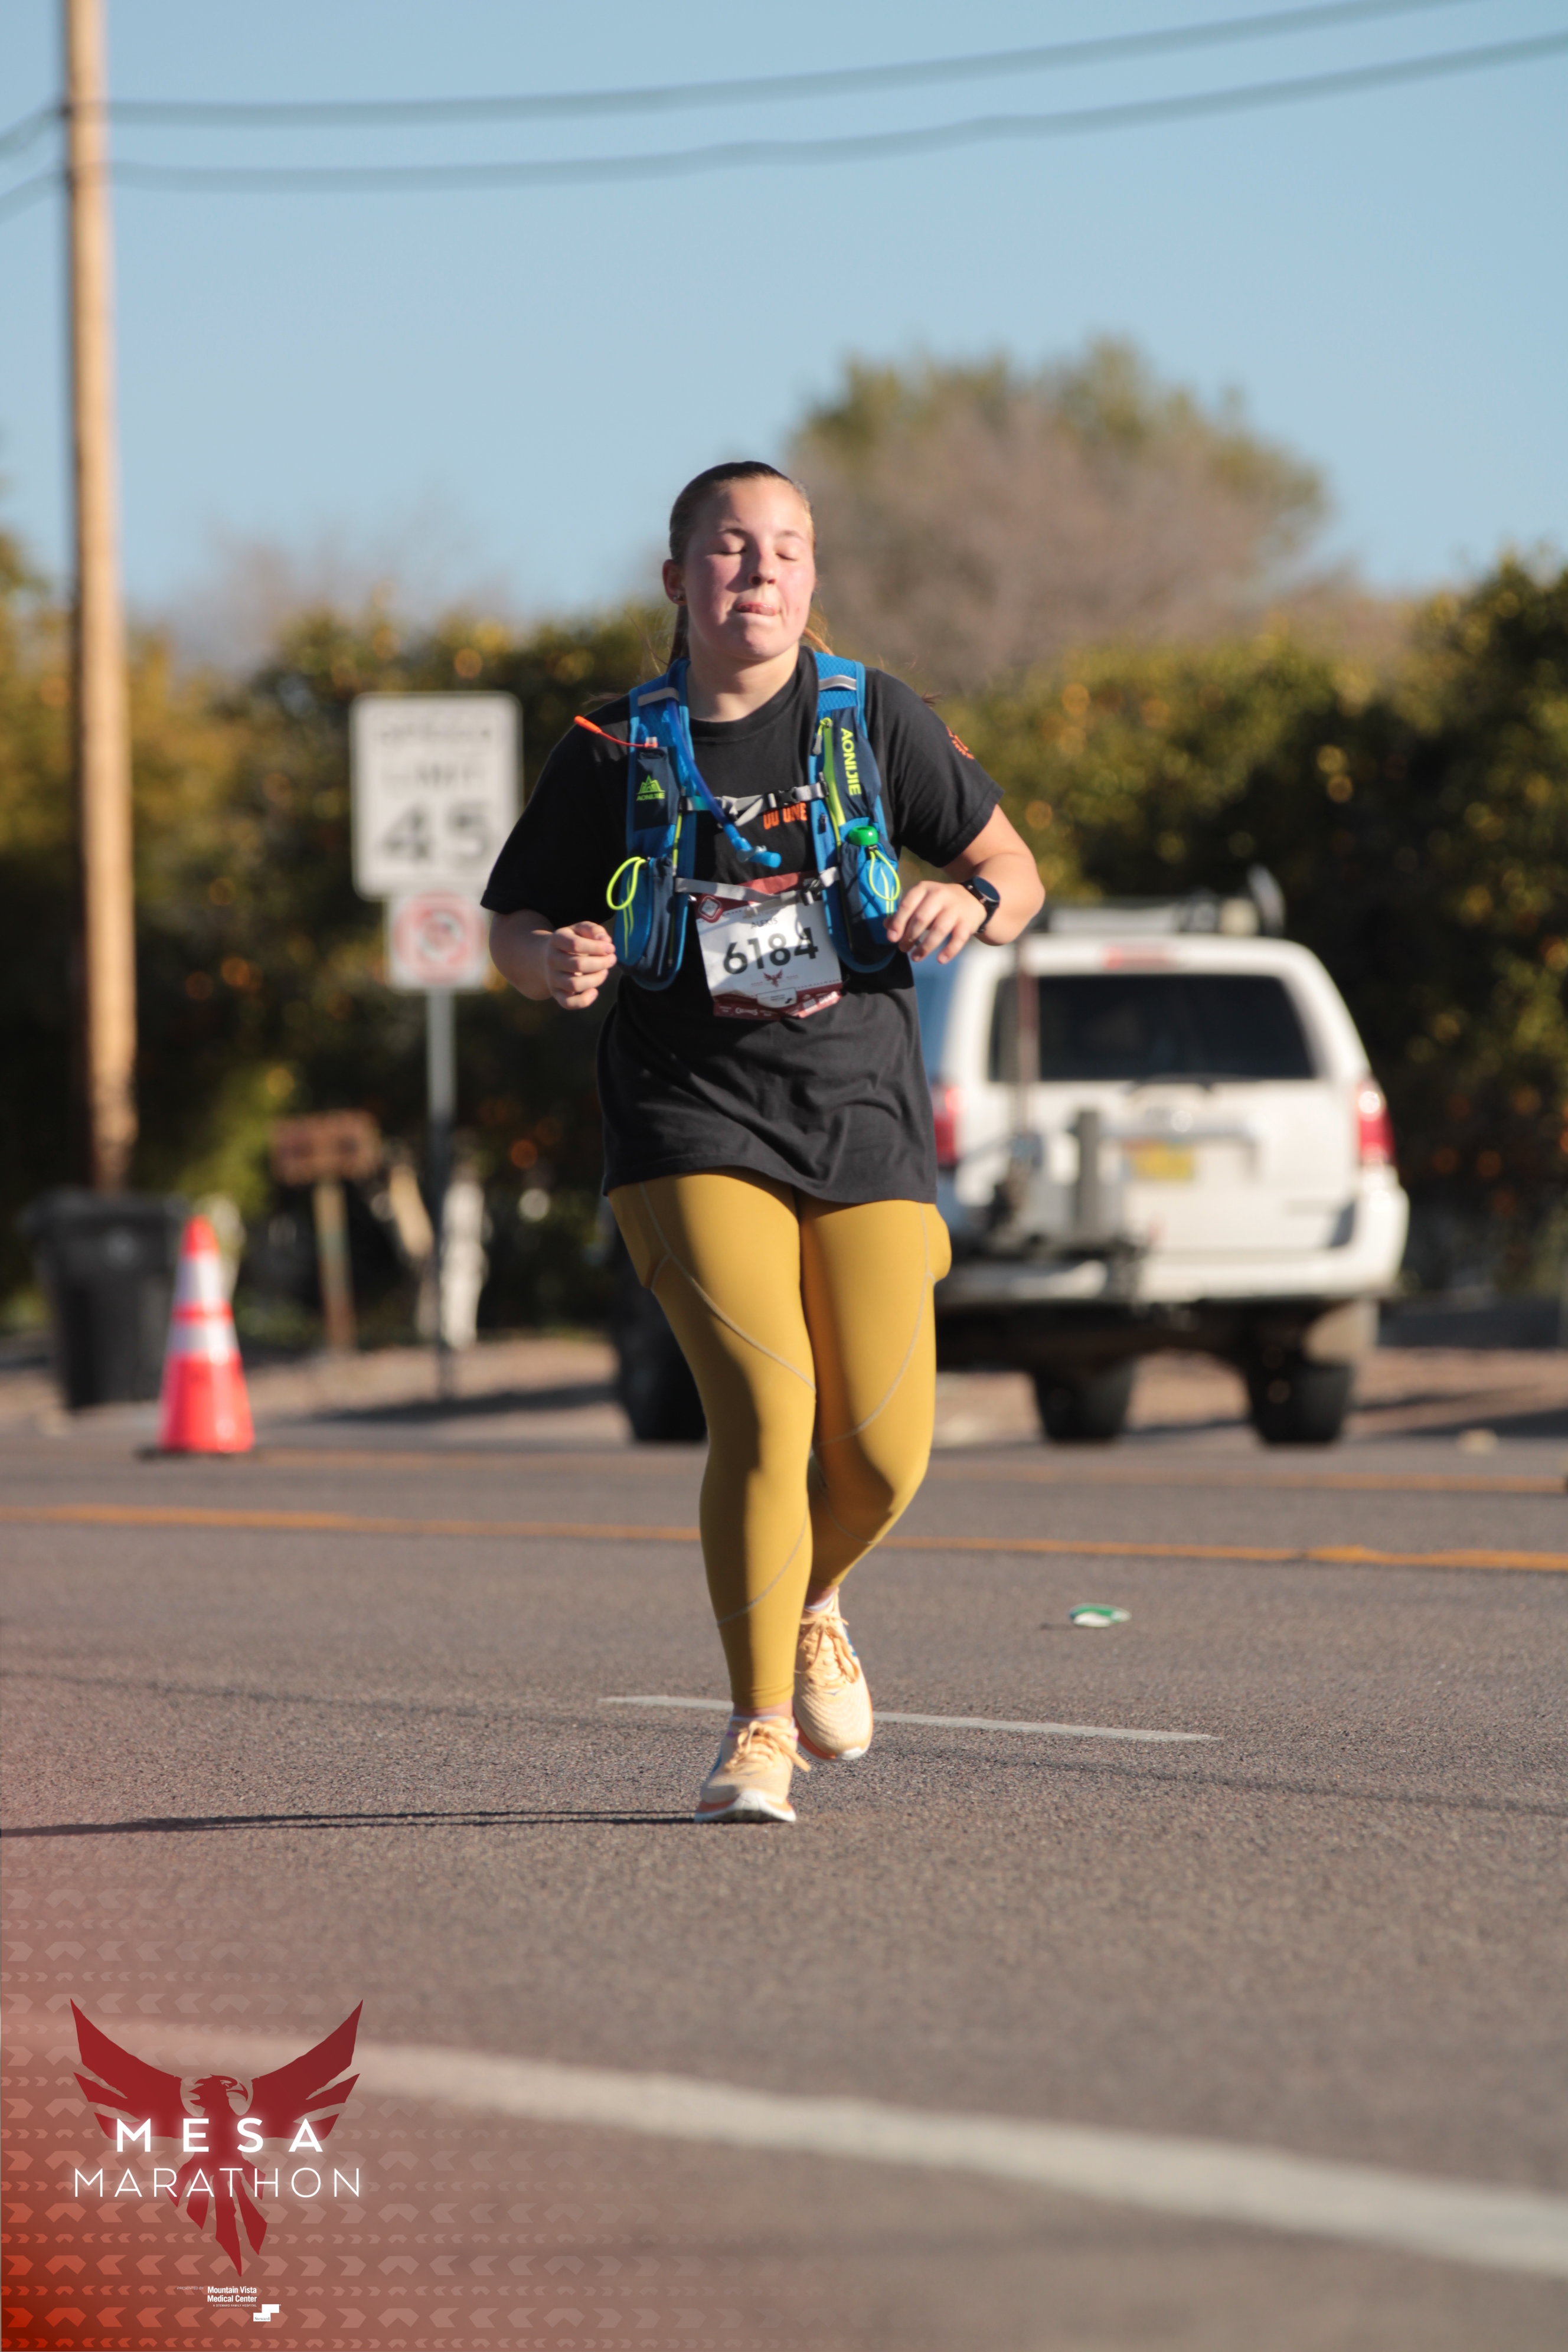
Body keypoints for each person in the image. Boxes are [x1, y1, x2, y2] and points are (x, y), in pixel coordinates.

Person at [485, 461, 1042, 1822]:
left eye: (786, 548)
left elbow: (1013, 869)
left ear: (812, 576)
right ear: (677, 579)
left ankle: (810, 1597)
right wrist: (547, 961)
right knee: (765, 1406)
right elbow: (510, 921)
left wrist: (969, 905)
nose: (760, 570)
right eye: (731, 548)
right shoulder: (610, 746)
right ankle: (756, 1733)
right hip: (686, 1113)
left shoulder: (873, 717)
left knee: (885, 1457)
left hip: (861, 1111)